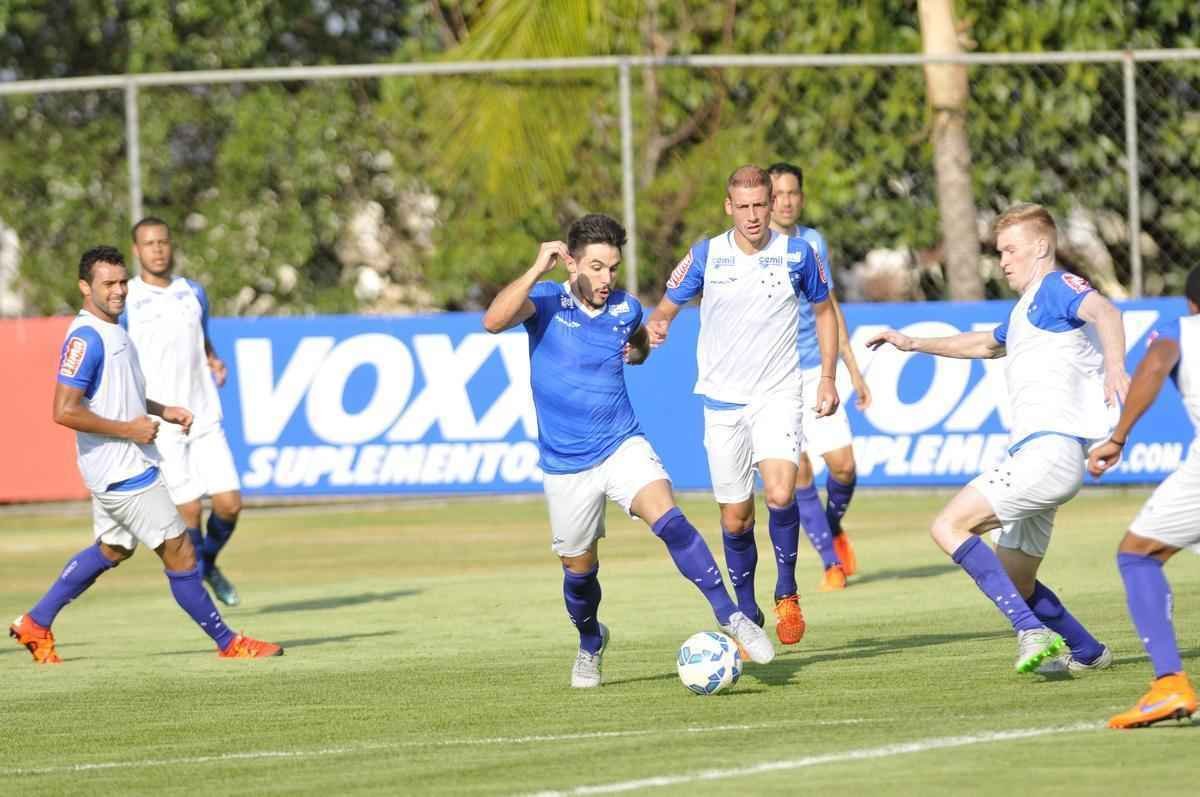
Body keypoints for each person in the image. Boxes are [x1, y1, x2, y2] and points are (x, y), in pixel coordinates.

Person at [482, 214, 774, 688]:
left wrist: (640, 351)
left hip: (622, 443)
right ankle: (590, 641)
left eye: (612, 268)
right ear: (571, 263)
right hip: (567, 464)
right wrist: (537, 267)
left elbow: (637, 345)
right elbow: (493, 321)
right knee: (579, 573)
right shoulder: (545, 301)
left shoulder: (626, 308)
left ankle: (732, 616)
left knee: (670, 518)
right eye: (595, 268)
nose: (605, 279)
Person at [867, 203, 1128, 673]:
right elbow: (986, 344)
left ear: (1041, 247)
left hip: (1048, 452)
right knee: (1016, 581)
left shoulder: (1054, 287)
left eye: (1010, 249)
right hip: (1041, 455)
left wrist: (1115, 365)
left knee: (948, 526)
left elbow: (1106, 312)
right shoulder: (1027, 308)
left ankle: (1030, 633)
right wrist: (913, 343)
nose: (1003, 259)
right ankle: (1088, 651)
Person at [8, 246, 280, 662]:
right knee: (181, 551)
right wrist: (130, 429)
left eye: (121, 282)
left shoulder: (115, 329)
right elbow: (63, 410)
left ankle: (37, 621)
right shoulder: (86, 338)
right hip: (122, 469)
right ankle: (229, 643)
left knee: (113, 548)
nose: (118, 291)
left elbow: (119, 394)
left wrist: (160, 410)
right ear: (85, 287)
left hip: (122, 463)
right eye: (108, 284)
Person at [647, 165, 840, 648]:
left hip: (778, 395)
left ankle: (788, 592)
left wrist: (829, 378)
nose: (754, 216)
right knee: (736, 518)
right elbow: (667, 307)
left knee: (780, 493)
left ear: (772, 205)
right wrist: (659, 326)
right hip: (722, 404)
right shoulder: (705, 255)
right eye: (745, 206)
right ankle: (746, 607)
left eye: (762, 205)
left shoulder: (798, 254)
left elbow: (824, 312)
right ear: (728, 207)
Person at [1087, 266, 1200, 728]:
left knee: (1138, 555)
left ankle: (1169, 683)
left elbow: (1155, 363)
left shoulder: (1185, 329)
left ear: (1192, 303)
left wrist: (1117, 437)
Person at [123, 217, 243, 606]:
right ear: (136, 251)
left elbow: (202, 339)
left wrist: (213, 359)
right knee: (188, 510)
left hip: (205, 415)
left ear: (171, 246)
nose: (157, 249)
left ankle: (207, 564)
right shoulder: (127, 299)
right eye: (149, 243)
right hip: (162, 423)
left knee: (229, 504)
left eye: (163, 241)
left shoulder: (193, 292)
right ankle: (201, 601)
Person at [768, 162, 872, 590]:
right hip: (773, 378)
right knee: (801, 472)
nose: (786, 201)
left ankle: (831, 528)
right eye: (777, 195)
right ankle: (831, 563)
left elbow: (827, 305)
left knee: (844, 468)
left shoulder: (813, 243)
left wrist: (852, 369)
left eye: (793, 193)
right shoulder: (751, 250)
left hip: (816, 370)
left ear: (802, 198)